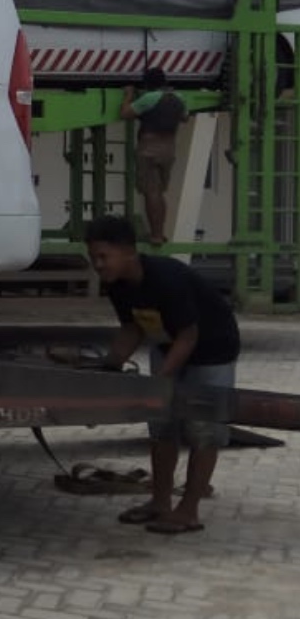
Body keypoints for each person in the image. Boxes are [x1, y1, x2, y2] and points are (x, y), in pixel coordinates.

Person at [84, 214, 240, 535]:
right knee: (162, 427)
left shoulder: (166, 278)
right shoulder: (118, 285)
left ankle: (188, 511)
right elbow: (132, 328)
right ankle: (159, 502)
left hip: (212, 349)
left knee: (203, 430)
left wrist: (159, 382)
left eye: (103, 256)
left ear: (129, 251)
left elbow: (189, 336)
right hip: (168, 345)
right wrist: (108, 368)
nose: (97, 265)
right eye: (93, 257)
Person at [121, 67, 190, 246]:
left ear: (148, 84)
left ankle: (156, 236)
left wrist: (128, 95)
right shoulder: (179, 98)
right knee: (159, 193)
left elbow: (125, 113)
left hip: (149, 148)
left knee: (151, 192)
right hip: (169, 148)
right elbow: (185, 118)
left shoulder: (149, 98)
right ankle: (160, 232)